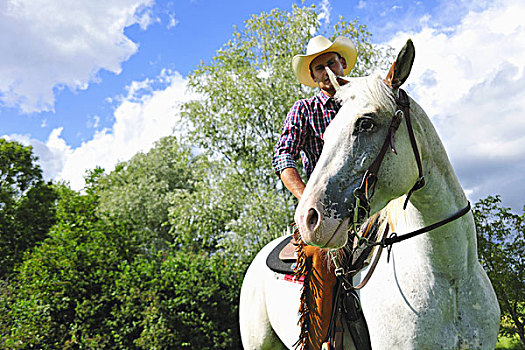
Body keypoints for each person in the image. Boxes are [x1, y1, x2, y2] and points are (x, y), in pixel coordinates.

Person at [272, 35, 357, 199]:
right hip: (327, 204)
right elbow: (283, 155)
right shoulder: (304, 109)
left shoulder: (362, 102)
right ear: (313, 76)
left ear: (343, 64)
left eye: (332, 63)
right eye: (320, 68)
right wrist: (307, 199)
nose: (328, 71)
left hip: (371, 201)